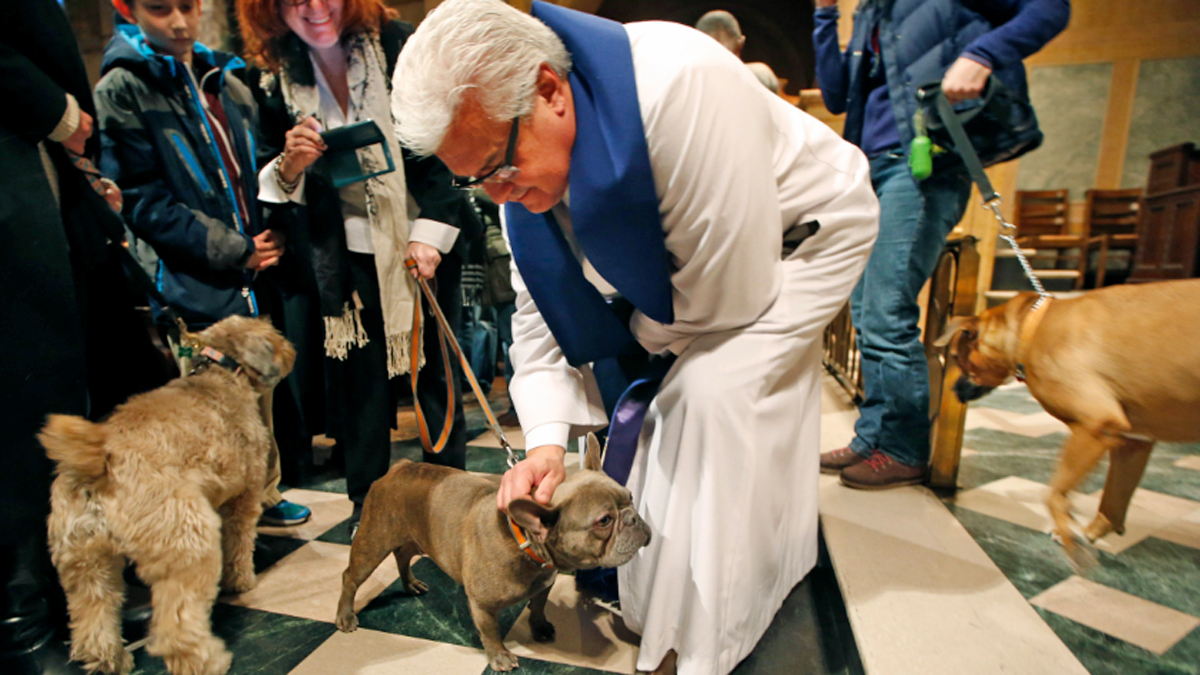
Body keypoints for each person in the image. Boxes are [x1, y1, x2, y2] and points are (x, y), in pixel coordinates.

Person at [391, 2, 878, 673]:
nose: (499, 195)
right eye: (476, 181)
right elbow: (540, 323)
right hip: (682, 289)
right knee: (652, 416)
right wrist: (545, 446)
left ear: (549, 91)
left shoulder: (681, 87)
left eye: (500, 168)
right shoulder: (515, 185)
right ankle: (664, 597)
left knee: (704, 398)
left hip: (803, 241)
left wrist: (626, 344)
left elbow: (727, 296)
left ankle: (706, 638)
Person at [237, 0, 474, 531]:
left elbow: (444, 142)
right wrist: (290, 163)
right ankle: (370, 503)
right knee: (358, 382)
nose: (315, 9)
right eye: (295, 0)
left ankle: (451, 496)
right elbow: (267, 178)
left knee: (434, 371)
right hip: (339, 251)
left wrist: (430, 233)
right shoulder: (270, 76)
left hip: (419, 237)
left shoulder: (398, 46)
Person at [812, 0, 1069, 488]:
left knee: (887, 311)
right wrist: (826, 15)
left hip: (924, 162)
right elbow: (836, 94)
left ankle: (905, 450)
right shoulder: (870, 11)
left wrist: (983, 53)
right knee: (866, 313)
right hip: (870, 166)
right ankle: (873, 437)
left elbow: (1051, 8)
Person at [0, 1, 172, 672]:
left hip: (41, 162)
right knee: (18, 394)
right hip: (22, 139)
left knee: (72, 383)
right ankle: (19, 607)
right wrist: (58, 112)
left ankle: (76, 582)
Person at [95, 0, 312, 527]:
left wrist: (271, 232)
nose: (178, 22)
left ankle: (260, 494)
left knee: (257, 399)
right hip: (192, 278)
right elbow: (145, 201)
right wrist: (237, 248)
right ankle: (212, 513)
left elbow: (256, 169)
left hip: (251, 272)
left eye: (187, 6)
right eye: (159, 8)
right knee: (207, 407)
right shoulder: (122, 88)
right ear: (128, 9)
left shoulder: (227, 80)